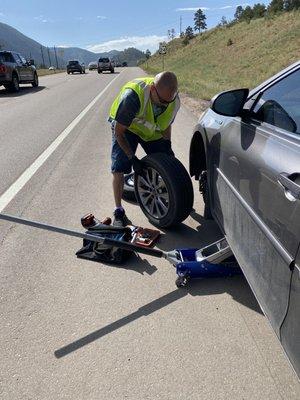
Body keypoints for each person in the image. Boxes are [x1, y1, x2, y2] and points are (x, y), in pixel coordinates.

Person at [108, 71, 180, 227]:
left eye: (168, 101)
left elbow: (166, 124)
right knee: (119, 168)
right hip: (126, 130)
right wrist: (132, 158)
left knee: (168, 161)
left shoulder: (173, 101)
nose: (164, 105)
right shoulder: (132, 98)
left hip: (149, 130)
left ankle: (175, 196)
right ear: (153, 89)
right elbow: (118, 133)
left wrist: (167, 146)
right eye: (161, 101)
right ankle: (118, 211)